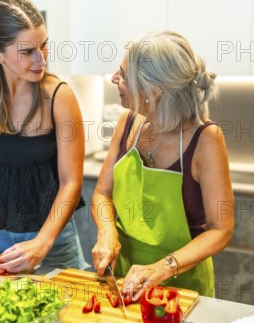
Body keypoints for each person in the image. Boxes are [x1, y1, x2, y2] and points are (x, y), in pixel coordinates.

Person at [0, 0, 87, 272]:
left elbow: (71, 181)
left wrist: (44, 243)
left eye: (44, 46)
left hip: (53, 239)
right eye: (26, 52)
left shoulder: (60, 97)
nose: (41, 59)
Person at [91, 31, 234, 298]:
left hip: (184, 288)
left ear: (154, 91)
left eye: (123, 74)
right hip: (125, 281)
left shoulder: (206, 139)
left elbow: (221, 230)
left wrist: (163, 268)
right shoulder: (127, 123)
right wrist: (107, 230)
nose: (114, 79)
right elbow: (101, 194)